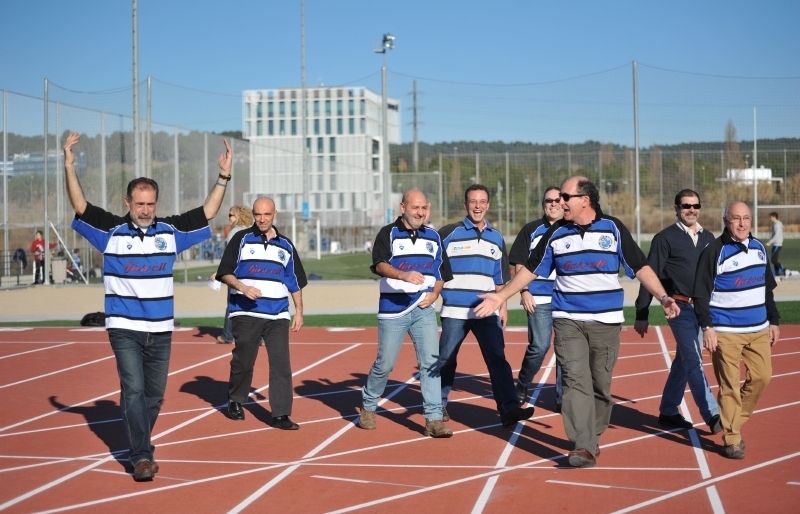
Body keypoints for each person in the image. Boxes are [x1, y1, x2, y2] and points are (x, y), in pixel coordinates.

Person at [474, 176, 679, 468]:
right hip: (568, 319)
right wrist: (501, 296)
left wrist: (663, 296)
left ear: (585, 199)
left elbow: (639, 266)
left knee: (600, 384)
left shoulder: (613, 228)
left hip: (606, 321)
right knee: (573, 380)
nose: (560, 203)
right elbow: (530, 270)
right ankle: (582, 444)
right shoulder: (555, 233)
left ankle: (590, 438)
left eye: (566, 197)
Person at [64, 131, 232, 481]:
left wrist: (223, 177)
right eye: (139, 204)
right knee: (135, 389)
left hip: (161, 329)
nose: (145, 210)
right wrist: (69, 165)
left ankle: (139, 437)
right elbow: (80, 206)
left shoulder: (170, 232)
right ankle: (141, 455)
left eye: (151, 204)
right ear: (128, 202)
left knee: (153, 396)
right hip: (124, 327)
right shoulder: (110, 232)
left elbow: (207, 212)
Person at [356, 189, 452, 438]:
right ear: (403, 207)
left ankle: (433, 418)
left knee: (430, 363)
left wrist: (435, 294)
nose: (419, 212)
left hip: (423, 309)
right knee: (385, 364)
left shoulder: (433, 236)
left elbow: (442, 273)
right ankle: (368, 405)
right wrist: (403, 275)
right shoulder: (388, 233)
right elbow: (379, 264)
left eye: (423, 208)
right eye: (415, 207)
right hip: (392, 310)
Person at [437, 184, 534, 427]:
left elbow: (500, 278)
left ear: (488, 205)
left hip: (487, 310)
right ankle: (437, 407)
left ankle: (509, 409)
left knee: (497, 359)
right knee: (447, 360)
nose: (477, 206)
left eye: (482, 201)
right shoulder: (448, 233)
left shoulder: (496, 237)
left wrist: (502, 306)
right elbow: (434, 267)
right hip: (455, 311)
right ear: (466, 204)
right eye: (473, 201)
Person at [693, 201, 780, 459]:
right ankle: (732, 439)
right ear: (725, 220)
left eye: (746, 218)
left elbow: (767, 291)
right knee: (729, 386)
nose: (742, 224)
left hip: (759, 329)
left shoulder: (760, 249)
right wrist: (707, 327)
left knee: (763, 377)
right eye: (736, 219)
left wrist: (774, 320)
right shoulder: (714, 251)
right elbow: (700, 294)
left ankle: (733, 420)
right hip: (725, 332)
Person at [634, 189, 721, 434]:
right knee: (693, 358)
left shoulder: (709, 238)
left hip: (704, 308)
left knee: (684, 359)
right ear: (676, 208)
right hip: (679, 308)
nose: (691, 210)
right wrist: (642, 312)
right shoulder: (664, 239)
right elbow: (648, 275)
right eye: (686, 206)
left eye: (695, 205)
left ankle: (669, 411)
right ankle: (713, 415)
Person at [216, 196, 306, 430]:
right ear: (253, 215)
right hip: (246, 312)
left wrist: (299, 311)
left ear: (274, 214)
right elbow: (224, 272)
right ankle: (236, 399)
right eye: (258, 214)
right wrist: (243, 288)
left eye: (267, 214)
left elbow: (294, 281)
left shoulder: (285, 245)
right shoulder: (241, 240)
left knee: (281, 364)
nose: (262, 219)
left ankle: (281, 414)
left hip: (277, 314)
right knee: (244, 360)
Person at [509, 187, 564, 410]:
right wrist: (524, 291)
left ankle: (562, 396)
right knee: (539, 346)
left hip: (566, 298)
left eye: (557, 200)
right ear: (543, 204)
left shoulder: (573, 229)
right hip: (538, 298)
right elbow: (517, 264)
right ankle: (522, 384)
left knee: (566, 349)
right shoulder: (531, 229)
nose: (553, 204)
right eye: (548, 200)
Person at [216, 205, 254, 344]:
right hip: (252, 271)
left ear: (239, 216)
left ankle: (228, 335)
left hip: (236, 272)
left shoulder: (234, 232)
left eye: (231, 215)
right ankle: (260, 336)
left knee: (232, 302)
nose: (229, 218)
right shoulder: (252, 231)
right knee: (253, 302)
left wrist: (222, 271)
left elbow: (230, 255)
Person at [766, 211, 785, 277]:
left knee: (773, 260)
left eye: (771, 217)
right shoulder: (775, 224)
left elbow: (776, 235)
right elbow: (773, 234)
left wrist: (769, 242)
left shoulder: (777, 225)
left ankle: (782, 268)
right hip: (775, 244)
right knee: (774, 260)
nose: (770, 218)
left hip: (778, 244)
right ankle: (777, 273)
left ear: (774, 217)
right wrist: (770, 241)